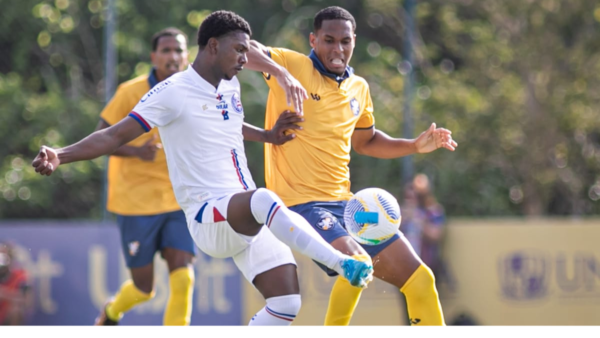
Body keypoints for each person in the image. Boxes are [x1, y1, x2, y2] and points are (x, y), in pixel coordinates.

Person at [31, 10, 373, 326]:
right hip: (209, 217)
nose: (244, 59)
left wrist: (268, 134)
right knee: (265, 199)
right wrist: (61, 154)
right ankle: (341, 263)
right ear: (212, 46)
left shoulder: (229, 83)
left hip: (243, 218)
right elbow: (114, 135)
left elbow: (228, 122)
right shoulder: (172, 92)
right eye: (238, 51)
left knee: (286, 304)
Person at [246, 6, 457, 326]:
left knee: (421, 281)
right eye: (328, 40)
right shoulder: (294, 65)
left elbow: (366, 142)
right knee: (356, 263)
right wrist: (281, 73)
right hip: (301, 205)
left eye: (345, 41)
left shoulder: (358, 88)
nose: (337, 49)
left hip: (346, 206)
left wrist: (414, 145)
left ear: (354, 41)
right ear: (313, 39)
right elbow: (241, 48)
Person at [92, 27, 197, 326]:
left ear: (187, 56)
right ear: (154, 57)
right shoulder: (130, 91)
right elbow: (100, 137)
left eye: (178, 50)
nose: (173, 57)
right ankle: (111, 312)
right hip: (134, 203)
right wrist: (137, 152)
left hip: (177, 200)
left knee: (183, 278)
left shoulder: (195, 90)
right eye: (166, 51)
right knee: (143, 288)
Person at [0, 242, 32, 325]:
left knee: (15, 308)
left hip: (6, 317)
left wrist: (5, 294)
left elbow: (27, 300)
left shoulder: (20, 276)